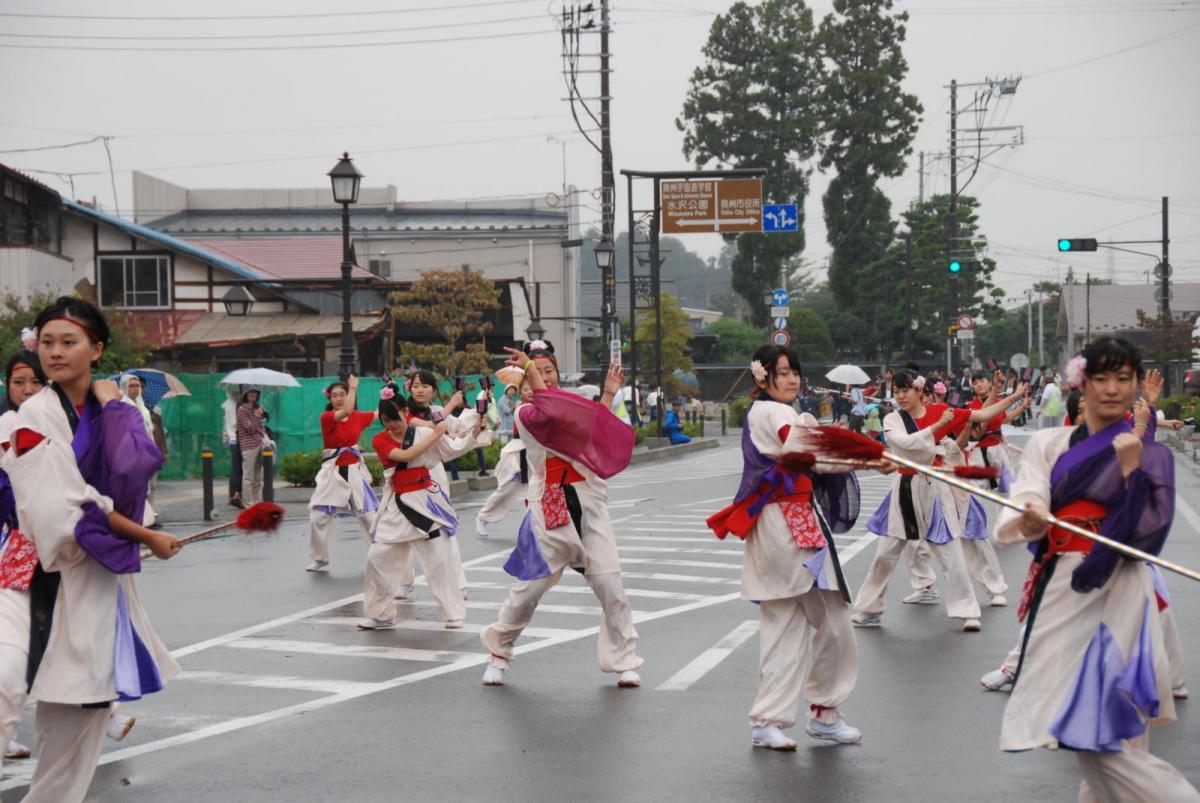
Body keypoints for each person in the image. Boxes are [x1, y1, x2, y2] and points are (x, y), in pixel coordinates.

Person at [993, 337, 1199, 801]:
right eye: (1101, 378)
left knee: (1106, 724)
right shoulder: (1048, 442)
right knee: (1082, 722)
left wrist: (1133, 472)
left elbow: (1149, 532)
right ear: (1080, 384)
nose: (1112, 389)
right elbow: (1029, 495)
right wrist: (1028, 514)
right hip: (1065, 586)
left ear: (1134, 385)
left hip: (1123, 589)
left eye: (1122, 379)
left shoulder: (1147, 451)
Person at [1, 297, 181, 802]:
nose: (55, 354)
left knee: (80, 718)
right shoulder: (30, 418)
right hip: (41, 570)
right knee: (19, 690)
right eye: (48, 343)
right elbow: (63, 510)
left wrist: (114, 403)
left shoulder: (113, 410)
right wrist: (145, 535)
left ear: (96, 349)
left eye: (69, 342)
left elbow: (134, 470)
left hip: (98, 577)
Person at [708, 345, 865, 750]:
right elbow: (807, 453)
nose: (793, 379)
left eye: (795, 371)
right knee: (833, 622)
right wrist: (865, 455)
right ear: (763, 378)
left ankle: (770, 720)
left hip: (785, 526)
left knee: (786, 628)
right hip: (788, 527)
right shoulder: (774, 412)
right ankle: (823, 713)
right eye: (783, 372)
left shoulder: (775, 412)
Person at [481, 339, 642, 688]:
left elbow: (592, 430)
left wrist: (609, 395)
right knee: (528, 592)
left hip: (589, 502)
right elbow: (550, 413)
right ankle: (498, 652)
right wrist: (528, 372)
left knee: (610, 585)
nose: (542, 378)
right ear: (523, 388)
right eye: (534, 375)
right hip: (550, 505)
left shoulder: (571, 405)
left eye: (548, 371)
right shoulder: (526, 415)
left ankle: (624, 659)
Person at [852, 369, 1026, 632]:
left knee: (951, 554)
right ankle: (869, 608)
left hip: (935, 490)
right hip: (904, 491)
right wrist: (940, 425)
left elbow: (983, 415)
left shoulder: (943, 411)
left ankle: (968, 610)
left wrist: (1015, 396)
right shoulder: (893, 419)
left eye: (905, 390)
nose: (900, 396)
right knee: (886, 554)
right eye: (896, 391)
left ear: (920, 391)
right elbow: (908, 445)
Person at [360, 385, 483, 631]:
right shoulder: (380, 439)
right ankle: (381, 614)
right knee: (377, 558)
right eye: (386, 420)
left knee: (439, 562)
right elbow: (405, 457)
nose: (392, 424)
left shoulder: (421, 433)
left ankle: (452, 614)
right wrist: (436, 433)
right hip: (396, 506)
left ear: (405, 412)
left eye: (395, 418)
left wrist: (477, 429)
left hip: (426, 504)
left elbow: (454, 448)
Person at [306, 375, 379, 573]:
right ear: (329, 399)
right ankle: (320, 557)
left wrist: (390, 397)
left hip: (355, 472)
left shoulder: (358, 417)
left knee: (369, 517)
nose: (338, 398)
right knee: (318, 516)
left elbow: (381, 414)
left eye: (342, 394)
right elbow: (346, 409)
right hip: (333, 473)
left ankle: (381, 554)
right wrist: (354, 387)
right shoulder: (327, 418)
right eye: (335, 395)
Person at [475, 381, 534, 539]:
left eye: (532, 388)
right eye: (526, 389)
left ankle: (535, 526)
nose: (530, 391)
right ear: (520, 393)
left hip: (534, 454)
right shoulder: (522, 408)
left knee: (536, 491)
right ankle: (482, 517)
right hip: (518, 453)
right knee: (506, 489)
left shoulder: (534, 406)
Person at [236, 387, 267, 505]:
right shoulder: (242, 410)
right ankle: (249, 504)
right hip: (248, 446)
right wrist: (258, 416)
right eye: (250, 392)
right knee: (248, 477)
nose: (253, 395)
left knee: (259, 477)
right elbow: (249, 428)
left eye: (255, 393)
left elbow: (258, 428)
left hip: (259, 443)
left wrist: (260, 418)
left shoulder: (255, 409)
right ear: (245, 394)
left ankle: (258, 502)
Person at [221, 387, 244, 509]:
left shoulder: (227, 404)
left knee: (235, 468)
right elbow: (235, 423)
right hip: (235, 437)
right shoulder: (232, 405)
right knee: (238, 469)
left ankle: (233, 494)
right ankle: (235, 495)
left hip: (231, 438)